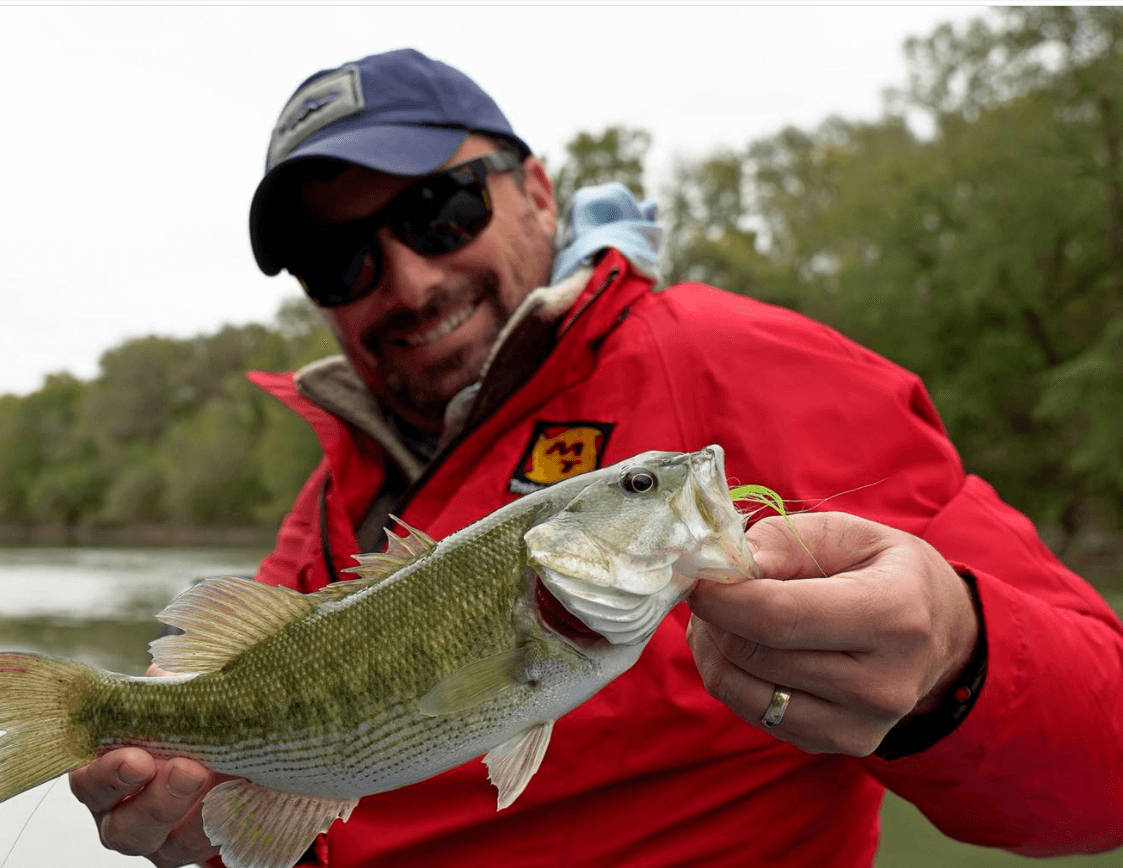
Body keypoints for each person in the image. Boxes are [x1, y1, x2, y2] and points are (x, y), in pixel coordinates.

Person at [69, 48, 1123, 867]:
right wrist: (202, 827)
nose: (405, 277)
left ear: (534, 186)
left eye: (439, 211)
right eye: (337, 260)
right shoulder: (335, 492)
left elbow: (1104, 772)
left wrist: (956, 663)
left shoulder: (739, 368)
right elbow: (291, 809)